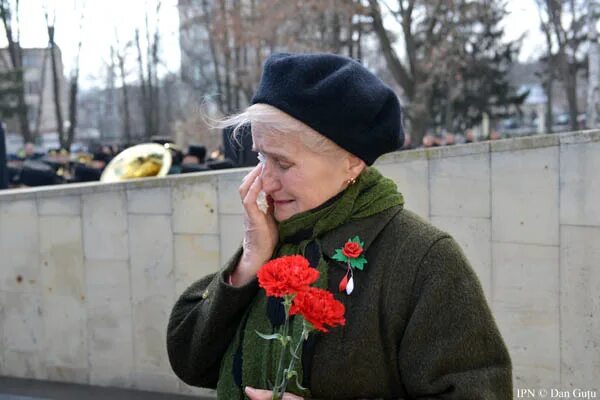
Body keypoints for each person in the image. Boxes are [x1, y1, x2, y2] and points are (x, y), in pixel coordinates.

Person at [167, 53, 512, 399]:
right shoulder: (276, 236)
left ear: (351, 162)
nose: (265, 182)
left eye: (283, 163)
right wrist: (248, 264)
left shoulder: (425, 259)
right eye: (260, 156)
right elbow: (191, 361)